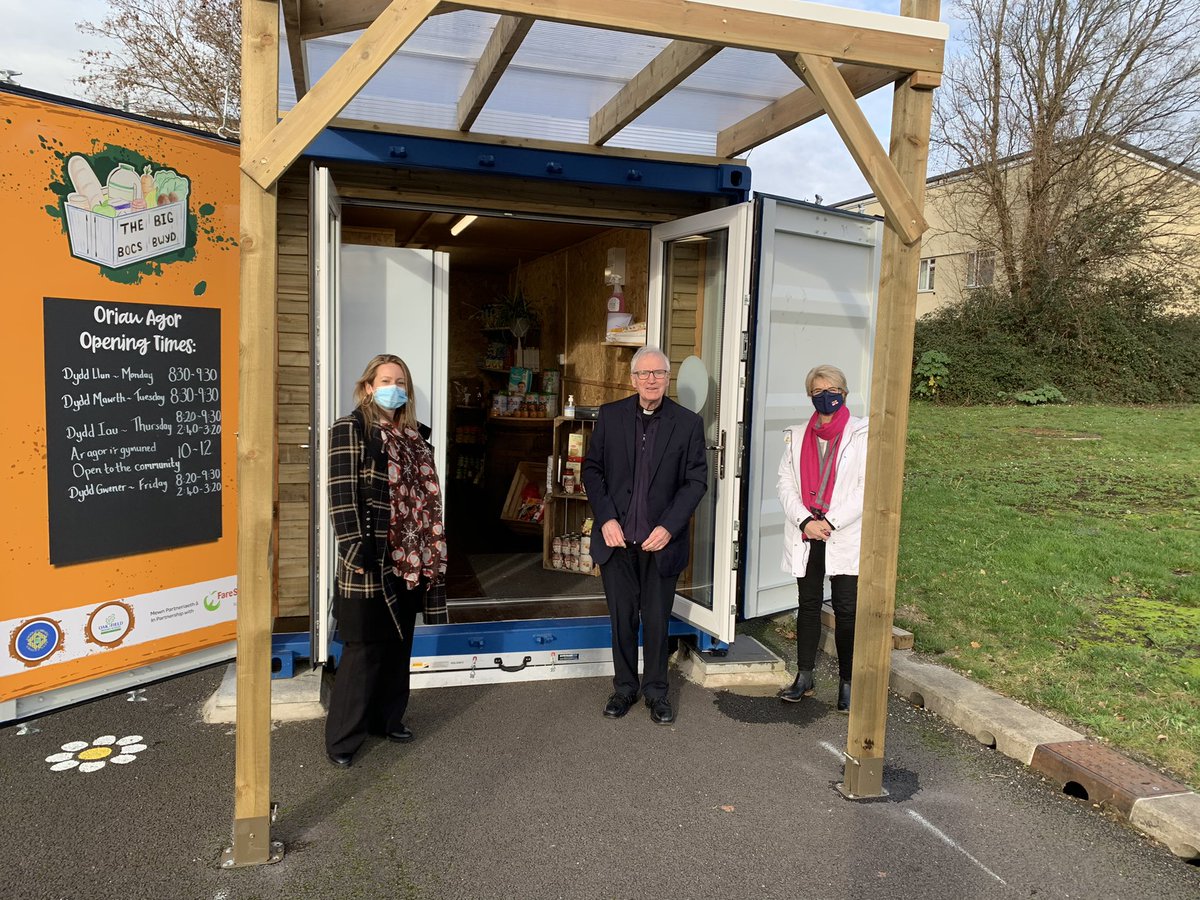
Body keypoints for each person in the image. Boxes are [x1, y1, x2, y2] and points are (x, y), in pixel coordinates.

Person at [325, 354, 448, 767]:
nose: (394, 388)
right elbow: (341, 494)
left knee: (398, 645)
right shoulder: (351, 429)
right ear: (368, 387)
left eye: (400, 382)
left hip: (410, 557)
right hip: (370, 556)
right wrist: (353, 549)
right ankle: (343, 740)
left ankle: (388, 719)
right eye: (385, 380)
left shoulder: (414, 437)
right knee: (363, 649)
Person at [582, 346, 707, 725]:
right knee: (622, 620)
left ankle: (656, 692)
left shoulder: (687, 424)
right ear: (633, 379)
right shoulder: (611, 416)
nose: (651, 380)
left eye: (658, 373)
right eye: (644, 373)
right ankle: (624, 688)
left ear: (667, 378)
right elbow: (592, 470)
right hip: (617, 542)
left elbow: (695, 481)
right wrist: (606, 518)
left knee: (656, 621)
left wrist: (669, 526)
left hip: (660, 543)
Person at [776, 364, 869, 712]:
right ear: (809, 396)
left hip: (841, 531)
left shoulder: (861, 434)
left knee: (845, 608)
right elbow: (785, 483)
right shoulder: (798, 435)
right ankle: (805, 676)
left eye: (832, 390)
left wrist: (830, 521)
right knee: (809, 604)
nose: (825, 396)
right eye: (817, 391)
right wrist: (805, 521)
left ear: (844, 394)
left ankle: (848, 681)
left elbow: (864, 487)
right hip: (807, 531)